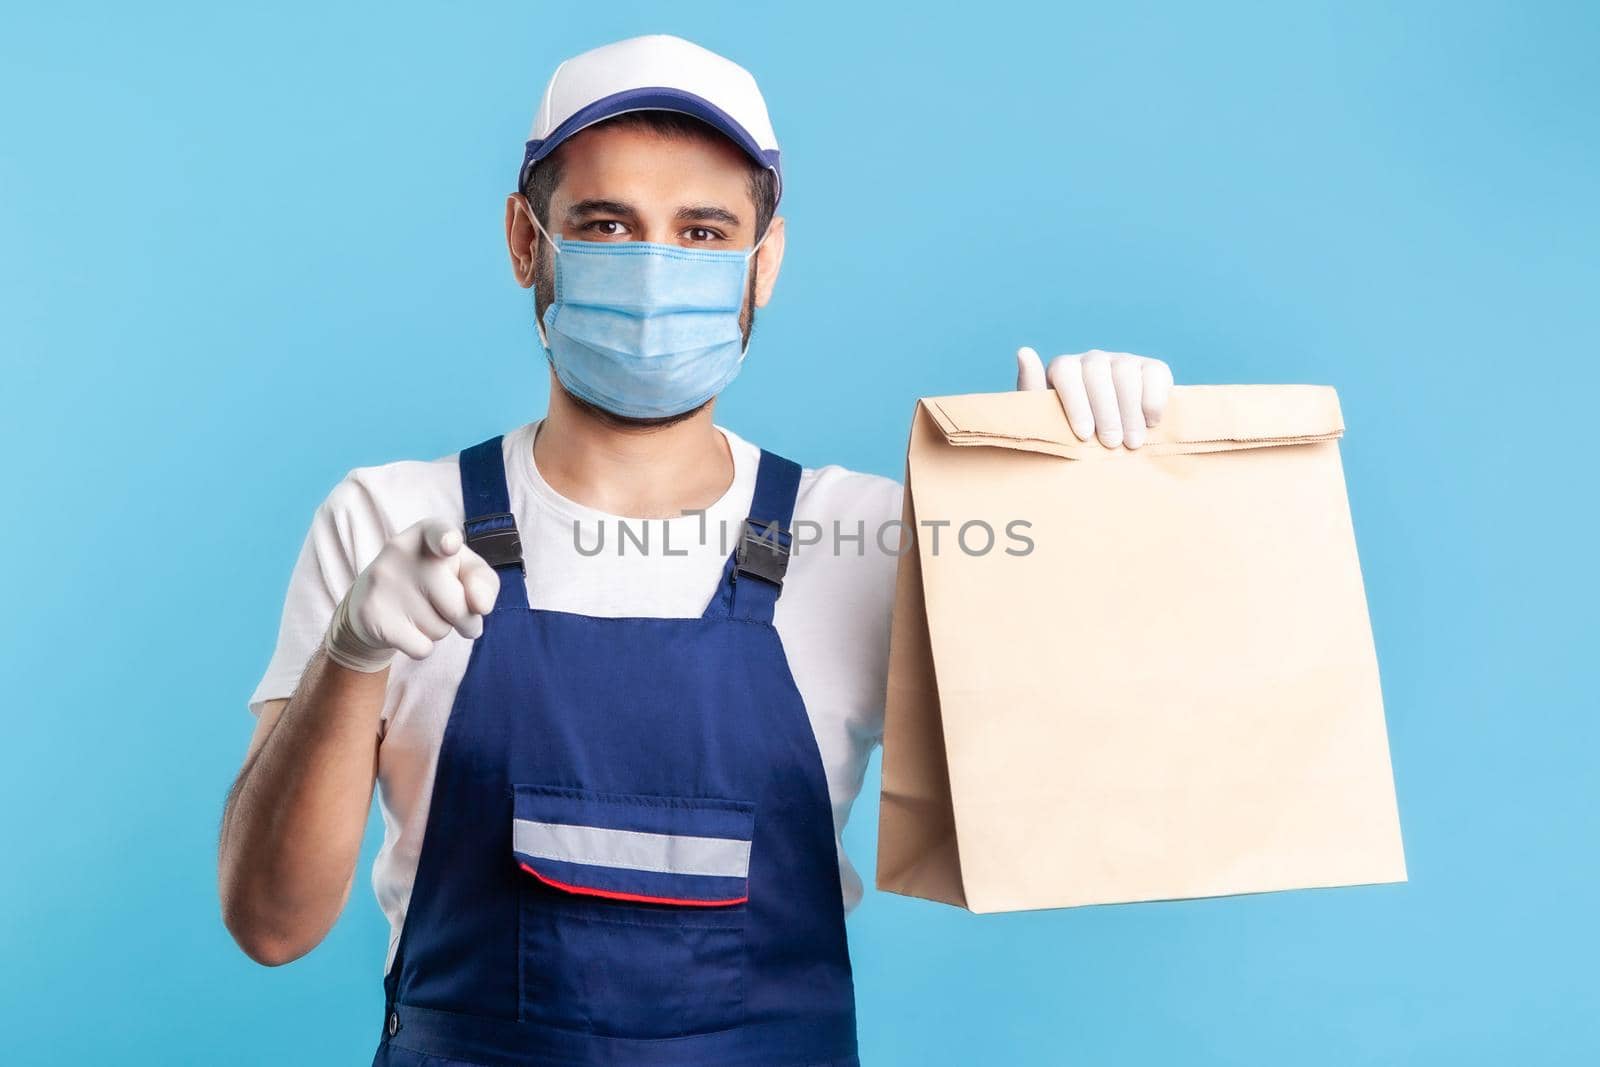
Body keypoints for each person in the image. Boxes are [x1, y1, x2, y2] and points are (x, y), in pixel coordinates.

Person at [218, 34, 1175, 1067]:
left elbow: (1071, 819)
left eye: (703, 231)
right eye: (605, 223)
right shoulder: (391, 521)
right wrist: (353, 650)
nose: (653, 266)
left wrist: (1091, 500)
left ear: (765, 262)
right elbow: (271, 924)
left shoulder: (874, 540)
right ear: (523, 240)